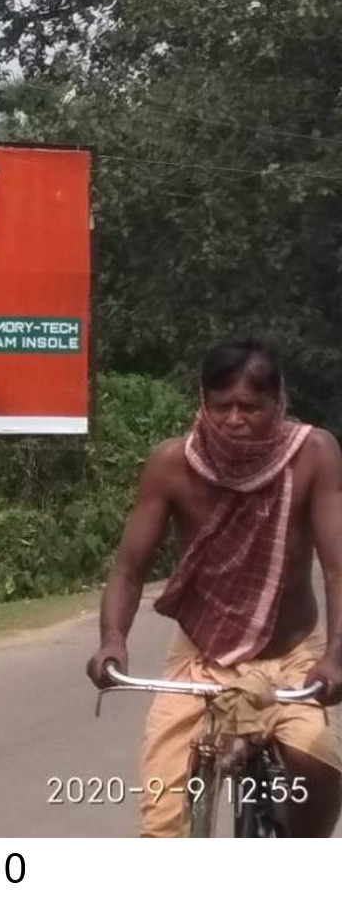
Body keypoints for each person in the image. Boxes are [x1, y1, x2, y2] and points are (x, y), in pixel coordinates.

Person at [87, 337, 342, 837]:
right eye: (222, 406)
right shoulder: (171, 465)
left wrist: (335, 655)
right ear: (202, 401)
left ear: (279, 402)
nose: (234, 419)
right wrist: (112, 639)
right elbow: (128, 570)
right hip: (198, 660)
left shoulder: (314, 454)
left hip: (289, 657)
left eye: (251, 406)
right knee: (163, 827)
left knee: (318, 762)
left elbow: (336, 566)